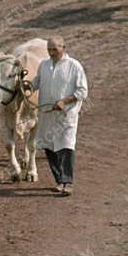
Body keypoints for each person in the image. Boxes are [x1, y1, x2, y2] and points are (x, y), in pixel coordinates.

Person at [33, 35, 88, 197]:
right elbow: (37, 82)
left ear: (63, 47)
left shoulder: (74, 66)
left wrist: (64, 101)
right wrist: (25, 85)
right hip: (47, 114)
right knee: (49, 146)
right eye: (49, 49)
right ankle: (59, 181)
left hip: (66, 115)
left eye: (54, 49)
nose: (51, 52)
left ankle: (67, 182)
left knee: (66, 146)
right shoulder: (44, 65)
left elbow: (82, 91)